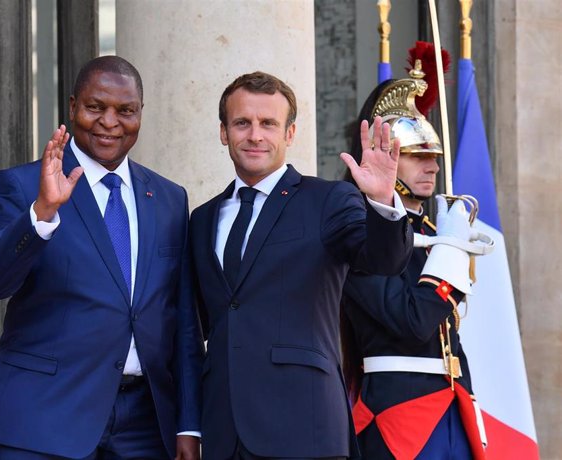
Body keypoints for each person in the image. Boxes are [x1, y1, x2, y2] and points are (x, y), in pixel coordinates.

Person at [0, 56, 203, 459]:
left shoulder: (168, 198)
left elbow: (181, 320)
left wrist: (189, 422)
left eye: (125, 111)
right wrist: (42, 213)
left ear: (140, 114)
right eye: (96, 107)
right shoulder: (24, 186)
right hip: (43, 416)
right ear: (73, 105)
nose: (109, 122)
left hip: (145, 425)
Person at [189, 71, 413, 460]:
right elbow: (197, 326)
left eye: (269, 124)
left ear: (290, 134)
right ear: (224, 132)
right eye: (242, 123)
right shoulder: (203, 218)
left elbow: (383, 259)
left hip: (304, 429)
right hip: (222, 432)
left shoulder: (328, 201)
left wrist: (381, 202)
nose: (255, 135)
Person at [340, 64, 488, 459]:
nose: (433, 166)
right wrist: (452, 252)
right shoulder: (358, 231)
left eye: (434, 155)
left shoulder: (432, 228)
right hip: (397, 417)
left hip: (455, 407)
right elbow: (413, 320)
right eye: (416, 155)